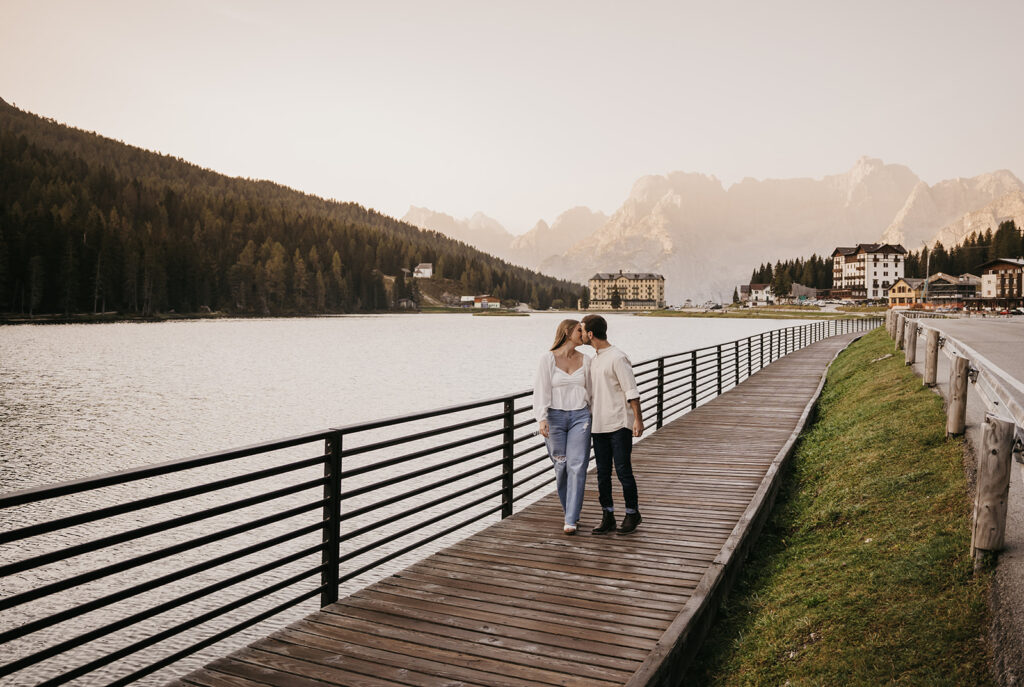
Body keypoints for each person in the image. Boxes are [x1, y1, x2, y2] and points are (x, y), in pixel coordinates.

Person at [580, 314, 643, 534]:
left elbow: (631, 390)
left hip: (618, 424)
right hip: (598, 426)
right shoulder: (595, 359)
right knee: (602, 474)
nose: (580, 334)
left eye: (582, 330)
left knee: (623, 470)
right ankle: (608, 516)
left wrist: (637, 419)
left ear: (590, 334)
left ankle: (632, 514)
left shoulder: (617, 357)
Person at [533, 319, 592, 535]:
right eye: (579, 330)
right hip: (554, 417)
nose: (583, 334)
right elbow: (540, 390)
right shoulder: (547, 359)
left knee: (577, 466)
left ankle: (570, 519)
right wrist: (542, 418)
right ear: (567, 332)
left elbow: (592, 392)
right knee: (561, 466)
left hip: (580, 417)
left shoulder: (587, 360)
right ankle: (571, 512)